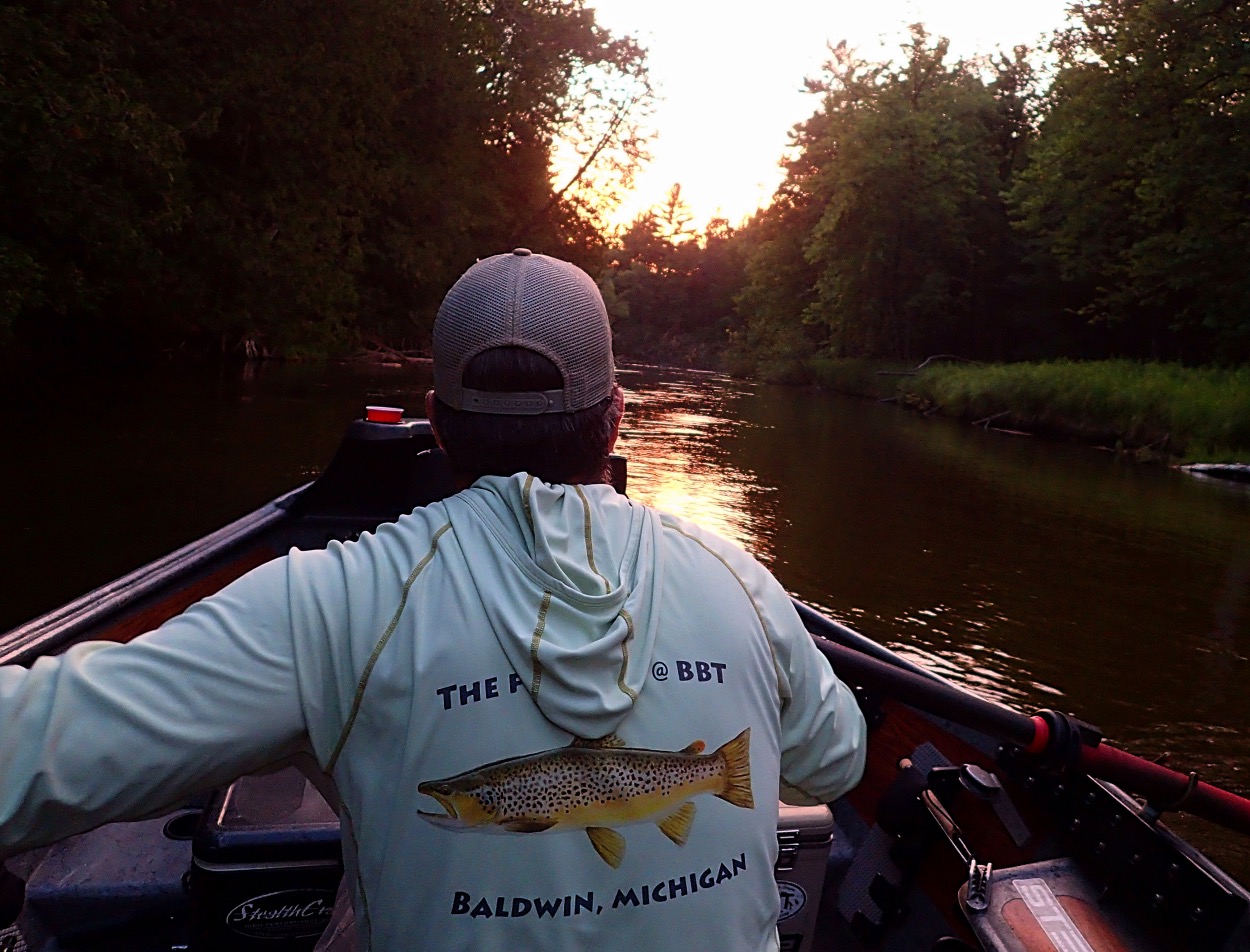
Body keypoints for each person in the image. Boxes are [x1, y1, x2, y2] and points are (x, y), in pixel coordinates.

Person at [0, 249, 867, 951]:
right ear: (617, 417)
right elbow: (831, 767)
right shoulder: (744, 581)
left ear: (436, 422)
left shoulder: (329, 604)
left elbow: (23, 763)